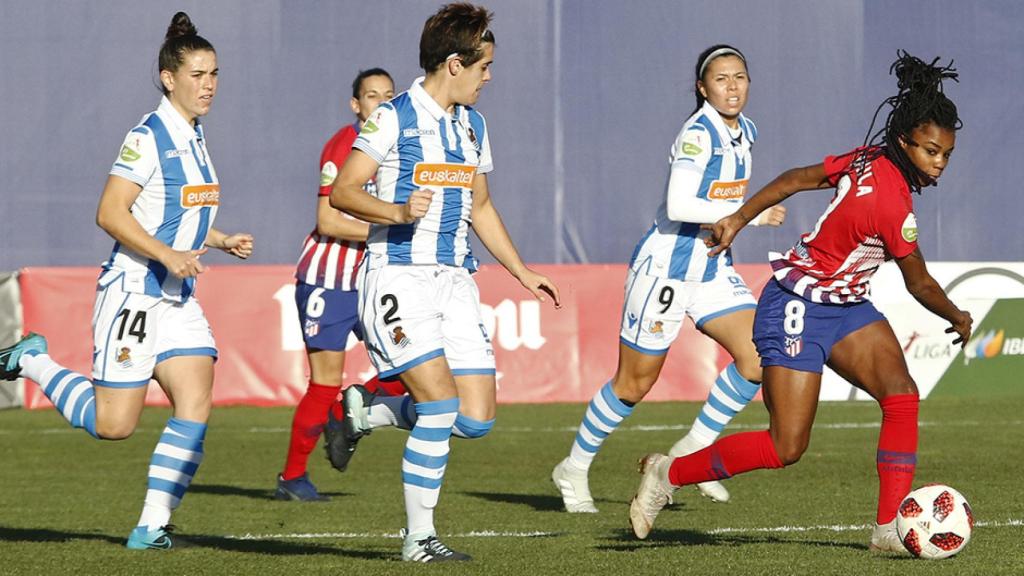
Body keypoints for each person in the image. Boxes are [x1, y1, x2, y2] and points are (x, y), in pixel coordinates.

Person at [628, 52, 972, 554]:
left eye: (946, 154)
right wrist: (958, 316)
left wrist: (739, 218)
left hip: (848, 306)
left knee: (901, 396)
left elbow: (795, 177)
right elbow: (918, 283)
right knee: (785, 447)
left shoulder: (868, 159)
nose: (939, 162)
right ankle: (667, 472)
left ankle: (886, 531)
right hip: (797, 305)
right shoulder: (892, 203)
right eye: (930, 151)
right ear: (904, 143)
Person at [0, 12, 253, 550]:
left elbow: (175, 213)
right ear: (169, 77)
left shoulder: (196, 135)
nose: (209, 84)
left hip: (176, 299)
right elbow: (111, 213)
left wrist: (219, 239)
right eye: (198, 74)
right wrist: (168, 255)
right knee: (113, 426)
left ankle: (151, 526)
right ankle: (31, 359)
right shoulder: (148, 136)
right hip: (133, 293)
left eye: (215, 74)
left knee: (196, 399)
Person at [329, 2, 560, 562]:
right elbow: (344, 192)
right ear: (454, 64)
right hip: (399, 280)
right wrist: (399, 211)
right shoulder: (394, 117)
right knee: (438, 406)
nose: (489, 77)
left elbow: (480, 207)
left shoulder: (473, 124)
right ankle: (418, 539)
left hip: (456, 283)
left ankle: (365, 410)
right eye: (483, 66)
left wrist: (522, 271)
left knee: (476, 420)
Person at [551, 44, 785, 514]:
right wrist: (750, 217)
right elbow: (680, 207)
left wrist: (737, 222)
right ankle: (573, 468)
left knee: (760, 356)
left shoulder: (747, 131)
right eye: (721, 79)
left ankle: (689, 453)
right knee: (634, 384)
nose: (732, 86)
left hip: (712, 267)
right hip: (666, 268)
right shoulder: (698, 133)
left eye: (739, 76)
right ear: (702, 88)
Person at [275, 67, 407, 502]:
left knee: (404, 370)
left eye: (389, 96)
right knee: (324, 382)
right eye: (372, 96)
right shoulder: (342, 146)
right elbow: (328, 219)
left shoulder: (401, 144)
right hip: (328, 281)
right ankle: (292, 478)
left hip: (375, 279)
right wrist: (390, 224)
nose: (381, 104)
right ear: (356, 105)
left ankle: (344, 414)